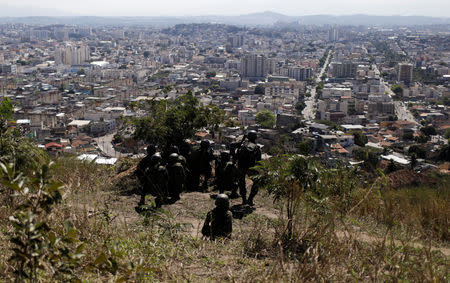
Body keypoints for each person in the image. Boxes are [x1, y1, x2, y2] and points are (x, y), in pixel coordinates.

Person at [236, 130, 261, 206]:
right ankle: (250, 200)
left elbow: (237, 155)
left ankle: (244, 200)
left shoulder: (242, 145)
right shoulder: (256, 148)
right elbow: (259, 161)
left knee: (241, 183)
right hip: (251, 167)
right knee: (257, 182)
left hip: (241, 167)